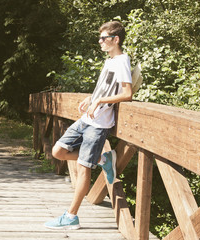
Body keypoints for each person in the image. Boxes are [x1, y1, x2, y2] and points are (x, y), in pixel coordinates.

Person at [44, 21, 133, 230]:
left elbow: (127, 94)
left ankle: (71, 216)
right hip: (86, 119)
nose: (100, 41)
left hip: (99, 125)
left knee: (84, 168)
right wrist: (90, 97)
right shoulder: (110, 61)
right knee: (58, 151)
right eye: (100, 38)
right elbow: (104, 88)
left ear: (115, 39)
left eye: (104, 38)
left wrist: (100, 102)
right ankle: (103, 159)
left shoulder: (122, 61)